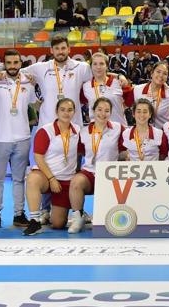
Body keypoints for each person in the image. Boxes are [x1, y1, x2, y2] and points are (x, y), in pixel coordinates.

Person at [0, 49, 36, 228]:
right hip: (0, 137)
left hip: (23, 137)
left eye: (16, 63)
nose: (12, 66)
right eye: (9, 63)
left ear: (20, 63)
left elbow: (35, 102)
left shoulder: (28, 82)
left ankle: (19, 214)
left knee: (19, 179)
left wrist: (34, 80)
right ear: (4, 63)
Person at [22, 98, 81, 235]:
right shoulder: (45, 131)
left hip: (67, 180)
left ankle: (76, 213)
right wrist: (52, 178)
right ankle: (34, 221)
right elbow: (38, 157)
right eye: (63, 110)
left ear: (74, 112)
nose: (66, 113)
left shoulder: (77, 131)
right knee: (32, 179)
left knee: (58, 224)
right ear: (56, 112)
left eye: (70, 110)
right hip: (47, 177)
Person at [68, 97, 126, 233]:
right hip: (90, 172)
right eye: (99, 110)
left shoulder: (118, 129)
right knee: (76, 182)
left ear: (110, 113)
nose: (103, 113)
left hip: (110, 174)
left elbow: (124, 150)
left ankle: (106, 214)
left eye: (107, 111)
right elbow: (79, 152)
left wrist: (127, 156)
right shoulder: (83, 131)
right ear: (93, 111)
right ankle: (78, 217)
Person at [23, 35, 93, 128]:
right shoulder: (40, 68)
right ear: (51, 50)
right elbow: (15, 73)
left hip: (73, 125)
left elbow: (98, 79)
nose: (60, 52)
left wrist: (118, 75)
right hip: (48, 125)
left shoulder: (82, 67)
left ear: (69, 49)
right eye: (57, 48)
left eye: (63, 48)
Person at [81, 53, 127, 125]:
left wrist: (120, 75)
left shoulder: (119, 82)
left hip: (118, 129)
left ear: (107, 66)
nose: (98, 67)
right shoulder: (85, 86)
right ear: (91, 67)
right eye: (95, 64)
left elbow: (131, 100)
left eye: (102, 64)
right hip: (96, 131)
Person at [132, 62, 169, 129]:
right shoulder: (138, 90)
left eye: (165, 74)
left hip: (163, 132)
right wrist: (119, 76)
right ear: (152, 73)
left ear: (167, 78)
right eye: (158, 71)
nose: (161, 75)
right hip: (143, 131)